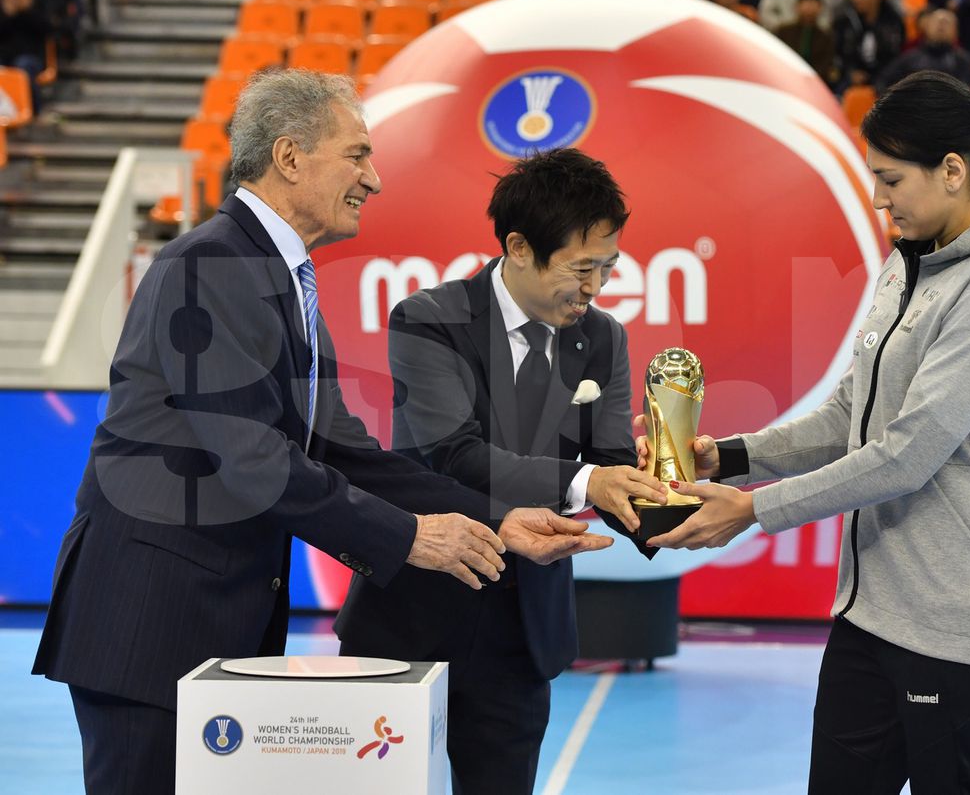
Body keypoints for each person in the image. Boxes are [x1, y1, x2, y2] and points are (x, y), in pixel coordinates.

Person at [31, 69, 607, 795]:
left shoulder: (277, 273)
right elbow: (254, 457)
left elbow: (342, 451)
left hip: (209, 627)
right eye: (357, 155)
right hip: (150, 626)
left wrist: (497, 516)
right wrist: (409, 537)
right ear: (290, 157)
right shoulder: (209, 265)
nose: (375, 179)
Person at [645, 71, 970, 793]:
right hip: (869, 617)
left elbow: (909, 453)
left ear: (954, 171)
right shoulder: (906, 265)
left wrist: (754, 510)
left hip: (961, 627)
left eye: (891, 179)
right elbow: (851, 415)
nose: (879, 199)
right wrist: (732, 459)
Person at [335, 147, 666, 795]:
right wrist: (586, 482)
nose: (596, 287)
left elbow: (612, 464)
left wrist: (672, 504)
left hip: (523, 633)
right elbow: (453, 453)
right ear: (518, 247)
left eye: (608, 267)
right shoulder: (431, 319)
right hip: (411, 620)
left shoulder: (602, 337)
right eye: (581, 268)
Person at [875, 8, 970, 92]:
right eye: (937, 21)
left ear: (956, 32)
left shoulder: (963, 60)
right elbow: (882, 81)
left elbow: (968, 92)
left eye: (947, 22)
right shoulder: (909, 58)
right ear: (926, 27)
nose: (941, 25)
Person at [832, 0, 907, 94]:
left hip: (886, 78)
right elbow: (840, 53)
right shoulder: (846, 21)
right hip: (850, 78)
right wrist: (851, 72)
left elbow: (895, 57)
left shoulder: (893, 22)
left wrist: (879, 78)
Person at [0, 0, 51, 114]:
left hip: (32, 56)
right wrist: (8, 14)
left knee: (23, 66)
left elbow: (47, 30)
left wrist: (27, 10)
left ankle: (32, 112)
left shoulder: (38, 0)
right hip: (5, 56)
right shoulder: (4, 1)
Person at [777, 0, 837, 87]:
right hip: (786, 78)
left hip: (816, 82)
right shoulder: (784, 31)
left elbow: (826, 63)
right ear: (797, 7)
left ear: (820, 8)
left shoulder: (825, 36)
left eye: (813, 4)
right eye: (805, 4)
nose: (809, 8)